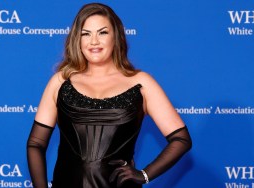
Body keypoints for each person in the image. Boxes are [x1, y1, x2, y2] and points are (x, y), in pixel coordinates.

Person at [27, 3, 192, 188]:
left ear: (116, 37)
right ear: (77, 39)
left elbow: (181, 139)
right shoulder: (61, 82)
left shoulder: (141, 83)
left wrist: (145, 174)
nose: (94, 41)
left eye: (102, 32)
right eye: (85, 33)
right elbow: (36, 143)